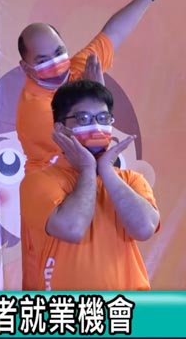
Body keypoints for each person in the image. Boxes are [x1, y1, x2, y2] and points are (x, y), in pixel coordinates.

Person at [16, 0, 168, 174]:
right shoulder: (35, 108)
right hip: (52, 182)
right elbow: (91, 143)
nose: (56, 63)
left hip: (88, 175)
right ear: (26, 68)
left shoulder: (77, 68)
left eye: (59, 52)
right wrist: (97, 91)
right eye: (43, 60)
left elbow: (113, 33)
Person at [20, 80, 159, 290]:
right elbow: (72, 228)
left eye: (103, 118)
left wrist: (106, 171)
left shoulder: (132, 179)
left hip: (128, 306)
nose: (96, 127)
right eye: (83, 118)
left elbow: (144, 229)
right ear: (60, 129)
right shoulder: (38, 181)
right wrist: (87, 168)